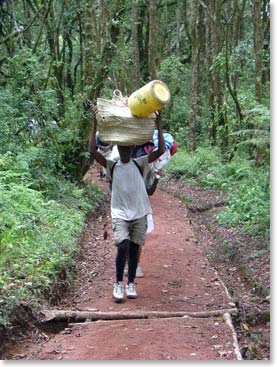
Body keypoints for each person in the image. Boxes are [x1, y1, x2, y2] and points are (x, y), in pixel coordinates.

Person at [88, 105, 165, 302]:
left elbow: (161, 150)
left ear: (131, 149)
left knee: (134, 248)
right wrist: (95, 122)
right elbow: (92, 150)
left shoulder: (140, 163)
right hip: (120, 213)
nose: (124, 151)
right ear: (118, 149)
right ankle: (118, 283)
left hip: (139, 212)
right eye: (121, 148)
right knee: (122, 246)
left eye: (127, 148)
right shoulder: (111, 165)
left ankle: (130, 283)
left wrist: (159, 124)